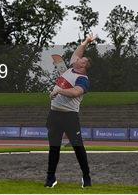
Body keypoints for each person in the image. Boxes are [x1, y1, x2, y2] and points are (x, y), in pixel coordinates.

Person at [45, 34, 95, 188]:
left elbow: (75, 92)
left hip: (70, 117)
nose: (78, 58)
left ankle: (86, 177)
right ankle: (50, 178)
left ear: (84, 65)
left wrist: (59, 90)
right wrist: (86, 41)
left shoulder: (82, 79)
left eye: (82, 59)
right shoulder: (70, 70)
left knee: (78, 147)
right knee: (54, 147)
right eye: (80, 58)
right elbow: (78, 51)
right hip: (54, 114)